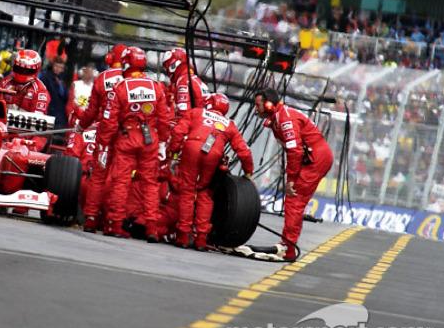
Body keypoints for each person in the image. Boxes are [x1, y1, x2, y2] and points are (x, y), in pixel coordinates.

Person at [96, 46, 170, 240]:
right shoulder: (156, 87)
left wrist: (104, 143)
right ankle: (152, 227)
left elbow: (109, 119)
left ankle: (115, 224)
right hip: (150, 140)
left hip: (127, 138)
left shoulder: (121, 87)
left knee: (121, 181)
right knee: (150, 184)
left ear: (126, 63)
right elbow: (164, 119)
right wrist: (162, 142)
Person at [166, 93, 254, 250]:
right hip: (213, 155)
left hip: (191, 148)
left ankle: (184, 236)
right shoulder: (229, 124)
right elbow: (244, 152)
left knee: (187, 192)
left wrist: (173, 154)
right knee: (205, 195)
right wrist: (248, 172)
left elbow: (178, 132)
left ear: (210, 103)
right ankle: (201, 238)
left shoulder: (196, 112)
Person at [254, 88, 334, 261]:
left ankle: (288, 248)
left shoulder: (285, 119)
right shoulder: (277, 117)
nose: (255, 109)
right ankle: (286, 244)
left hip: (316, 158)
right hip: (312, 157)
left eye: (258, 105)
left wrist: (290, 179)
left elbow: (295, 151)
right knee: (293, 201)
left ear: (268, 104)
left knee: (294, 200)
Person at [74, 44, 126, 232]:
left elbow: (91, 110)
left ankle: (91, 218)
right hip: (124, 136)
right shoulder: (134, 80)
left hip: (104, 133)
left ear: (111, 58)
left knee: (97, 176)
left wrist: (80, 126)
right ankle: (113, 221)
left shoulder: (103, 78)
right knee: (120, 179)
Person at [0, 48, 50, 150]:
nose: (22, 72)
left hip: (29, 135)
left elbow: (36, 123)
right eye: (20, 68)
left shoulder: (40, 91)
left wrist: (17, 141)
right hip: (2, 130)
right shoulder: (4, 83)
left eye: (27, 70)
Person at [161, 47, 209, 121]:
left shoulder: (183, 81)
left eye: (166, 67)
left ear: (173, 65)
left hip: (194, 126)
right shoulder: (195, 79)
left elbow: (184, 114)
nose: (166, 71)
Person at [39, 55, 69, 131]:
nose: (58, 69)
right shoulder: (46, 77)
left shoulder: (62, 80)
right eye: (56, 66)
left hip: (60, 113)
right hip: (50, 110)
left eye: (60, 67)